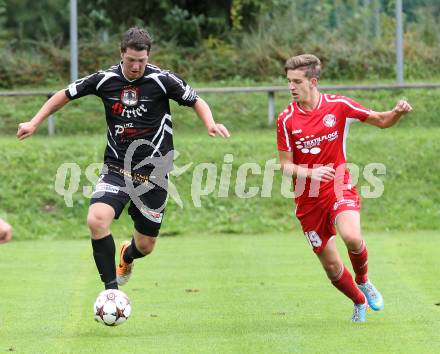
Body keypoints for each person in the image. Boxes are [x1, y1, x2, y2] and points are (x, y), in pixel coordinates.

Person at [17, 27, 230, 290]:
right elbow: (65, 94)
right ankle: (111, 292)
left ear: (148, 57)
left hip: (154, 173)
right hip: (118, 167)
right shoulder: (105, 79)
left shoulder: (163, 80)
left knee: (145, 246)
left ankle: (127, 255)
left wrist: (209, 123)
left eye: (141, 60)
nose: (136, 66)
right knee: (96, 219)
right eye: (131, 60)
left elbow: (196, 100)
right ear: (121, 54)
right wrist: (34, 122)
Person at [276, 54, 412, 322]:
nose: (291, 87)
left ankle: (364, 280)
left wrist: (396, 113)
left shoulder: (338, 105)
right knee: (332, 267)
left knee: (351, 236)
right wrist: (312, 172)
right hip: (308, 199)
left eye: (297, 81)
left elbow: (381, 120)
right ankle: (358, 301)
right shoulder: (286, 119)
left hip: (339, 185)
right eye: (288, 81)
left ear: (313, 82)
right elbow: (285, 166)